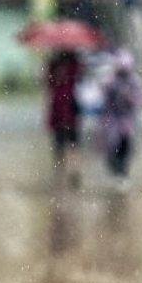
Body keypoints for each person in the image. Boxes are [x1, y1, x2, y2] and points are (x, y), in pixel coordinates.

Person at [101, 49, 142, 178]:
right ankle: (114, 168)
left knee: (126, 144)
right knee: (112, 145)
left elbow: (141, 99)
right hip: (112, 119)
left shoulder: (134, 80)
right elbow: (103, 89)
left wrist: (130, 98)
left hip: (127, 119)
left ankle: (123, 172)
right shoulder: (111, 78)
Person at [45, 50, 83, 186]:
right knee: (73, 144)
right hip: (69, 110)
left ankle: (59, 175)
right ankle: (73, 170)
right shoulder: (74, 64)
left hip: (60, 110)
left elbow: (47, 83)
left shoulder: (53, 65)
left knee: (59, 146)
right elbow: (80, 77)